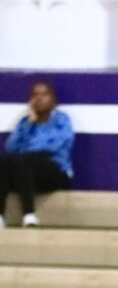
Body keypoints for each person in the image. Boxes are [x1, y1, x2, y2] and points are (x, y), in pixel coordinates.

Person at [0, 80, 74, 227]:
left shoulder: (61, 120)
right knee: (4, 161)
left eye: (44, 94)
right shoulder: (25, 122)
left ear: (52, 99)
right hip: (25, 171)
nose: (39, 98)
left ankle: (29, 214)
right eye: (35, 95)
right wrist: (29, 125)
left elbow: (52, 147)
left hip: (55, 171)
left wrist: (27, 149)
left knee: (22, 160)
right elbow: (10, 147)